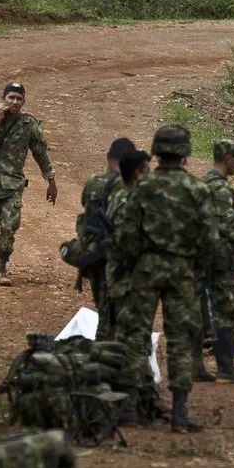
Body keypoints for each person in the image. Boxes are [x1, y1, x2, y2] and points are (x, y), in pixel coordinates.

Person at [112, 125, 218, 433]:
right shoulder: (198, 189)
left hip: (146, 268)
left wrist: (136, 260)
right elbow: (210, 238)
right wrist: (196, 267)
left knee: (136, 333)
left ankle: (130, 405)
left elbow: (127, 233)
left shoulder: (144, 187)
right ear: (185, 152)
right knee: (180, 339)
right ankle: (181, 412)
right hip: (182, 270)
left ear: (156, 151)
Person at [0, 83, 58, 286]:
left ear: (24, 101)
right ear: (3, 97)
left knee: (9, 228)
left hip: (13, 185)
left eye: (19, 99)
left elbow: (41, 153)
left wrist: (51, 181)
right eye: (11, 97)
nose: (15, 102)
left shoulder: (28, 124)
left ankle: (1, 268)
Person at [198, 139, 234, 384]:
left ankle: (196, 365)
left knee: (200, 309)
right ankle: (226, 367)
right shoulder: (219, 189)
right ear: (228, 158)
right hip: (219, 258)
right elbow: (228, 225)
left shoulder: (204, 184)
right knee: (227, 310)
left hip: (203, 256)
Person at [109, 149, 154, 425]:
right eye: (147, 169)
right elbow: (131, 244)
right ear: (138, 173)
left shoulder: (119, 197)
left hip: (123, 278)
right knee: (134, 340)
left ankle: (136, 397)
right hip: (130, 280)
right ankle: (128, 405)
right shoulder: (131, 203)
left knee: (129, 337)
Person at [76, 137, 137, 340]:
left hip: (93, 253)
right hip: (118, 256)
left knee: (103, 307)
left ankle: (104, 349)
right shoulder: (129, 187)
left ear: (108, 157)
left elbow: (86, 204)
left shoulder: (94, 181)